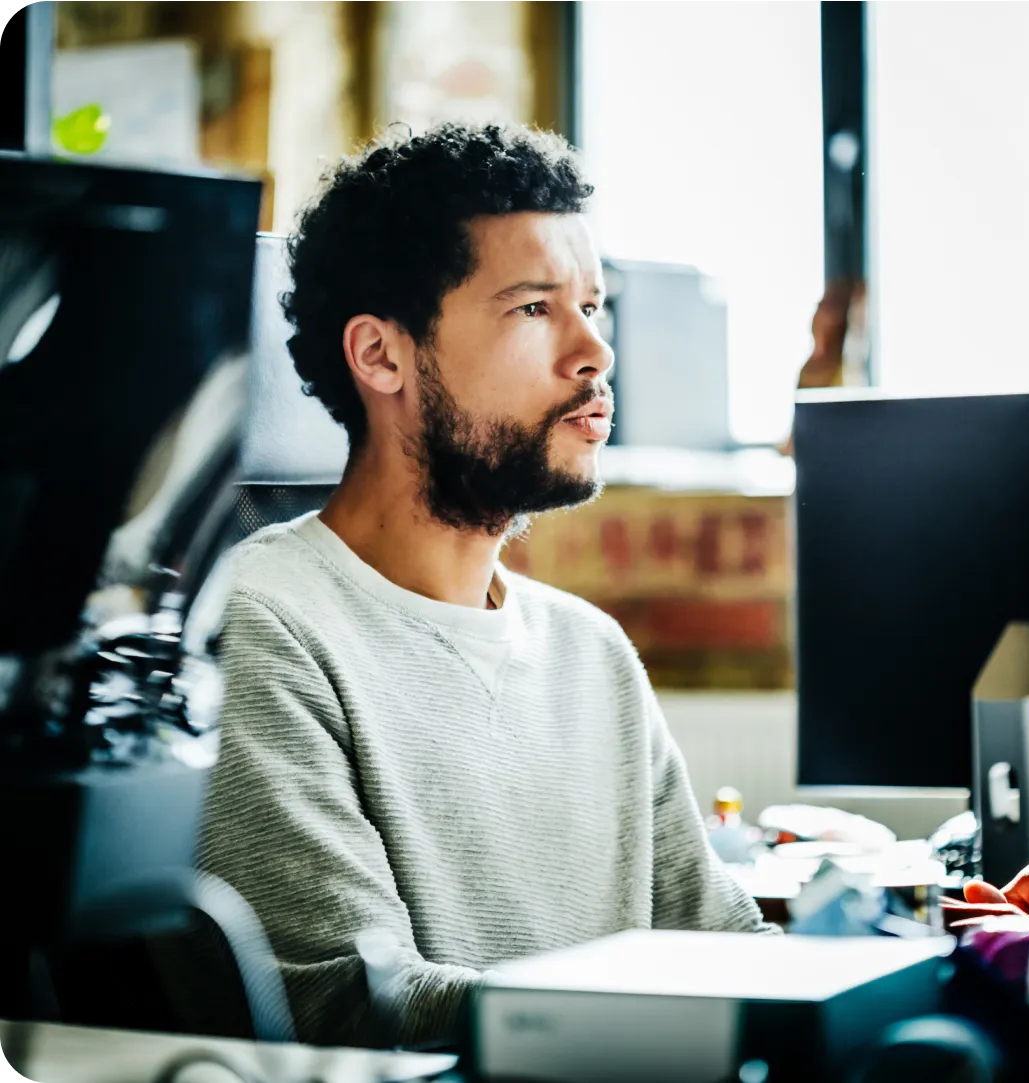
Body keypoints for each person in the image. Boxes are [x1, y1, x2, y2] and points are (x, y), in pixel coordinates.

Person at [190, 122, 775, 1051]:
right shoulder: (265, 627)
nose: (594, 352)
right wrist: (672, 1030)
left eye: (595, 305)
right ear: (381, 356)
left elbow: (723, 944)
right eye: (536, 308)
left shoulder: (592, 650)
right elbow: (356, 1000)